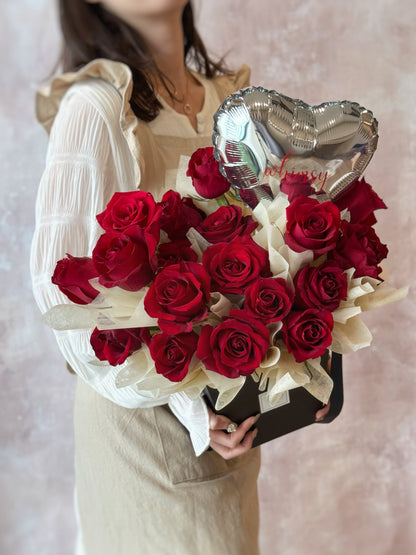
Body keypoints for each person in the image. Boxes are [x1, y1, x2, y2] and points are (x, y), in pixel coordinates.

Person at [30, 2, 329, 554]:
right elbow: (61, 294)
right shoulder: (97, 106)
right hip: (143, 425)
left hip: (229, 413)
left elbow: (274, 246)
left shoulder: (230, 104)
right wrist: (190, 406)